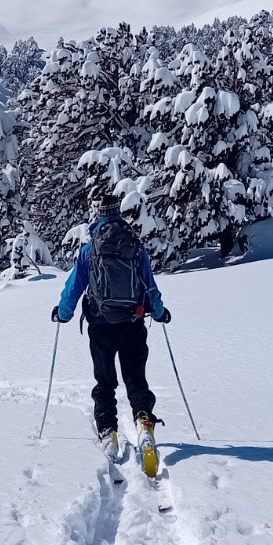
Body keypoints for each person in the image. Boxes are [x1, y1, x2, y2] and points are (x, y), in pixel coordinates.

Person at [51, 195, 172, 461]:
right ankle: (144, 424)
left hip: (100, 325)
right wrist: (160, 312)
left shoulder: (89, 250)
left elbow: (74, 287)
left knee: (105, 382)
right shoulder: (135, 247)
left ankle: (108, 432)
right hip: (133, 323)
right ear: (118, 213)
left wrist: (62, 313)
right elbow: (150, 285)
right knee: (136, 380)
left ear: (99, 215)